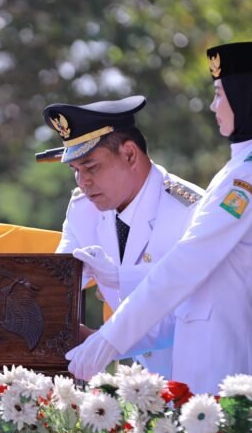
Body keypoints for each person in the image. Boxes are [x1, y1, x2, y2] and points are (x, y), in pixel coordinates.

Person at [65, 41, 252, 392]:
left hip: (229, 358)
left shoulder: (249, 176)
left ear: (247, 95)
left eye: (220, 94)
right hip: (217, 352)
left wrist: (110, 341)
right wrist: (120, 280)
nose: (213, 106)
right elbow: (202, 280)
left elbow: (187, 264)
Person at [41, 95, 205, 379]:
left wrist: (104, 342)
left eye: (91, 167)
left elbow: (185, 313)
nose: (83, 182)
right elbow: (58, 282)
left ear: (130, 154)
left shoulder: (190, 210)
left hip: (207, 375)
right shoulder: (84, 209)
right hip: (152, 385)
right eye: (76, 171)